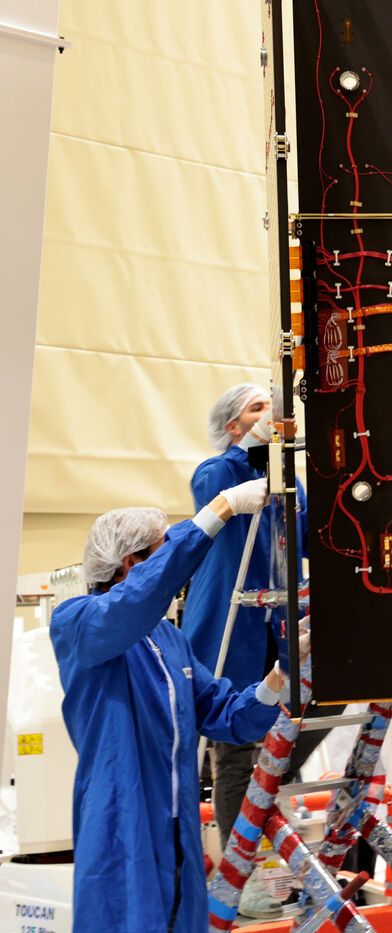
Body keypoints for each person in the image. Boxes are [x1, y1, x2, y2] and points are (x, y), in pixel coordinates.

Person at [51, 486, 286, 933]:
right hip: (121, 824)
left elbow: (225, 714)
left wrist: (279, 678)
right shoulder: (77, 622)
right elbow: (133, 602)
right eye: (166, 554)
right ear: (131, 563)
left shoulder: (168, 640)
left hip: (177, 830)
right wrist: (221, 508)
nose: (179, 573)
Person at [183, 383, 312, 915]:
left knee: (286, 742)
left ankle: (278, 861)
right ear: (231, 427)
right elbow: (218, 494)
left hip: (279, 628)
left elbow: (308, 534)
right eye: (255, 409)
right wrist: (251, 450)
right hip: (231, 631)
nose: (269, 415)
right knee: (236, 754)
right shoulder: (216, 472)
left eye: (271, 408)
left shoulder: (290, 484)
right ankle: (244, 877)